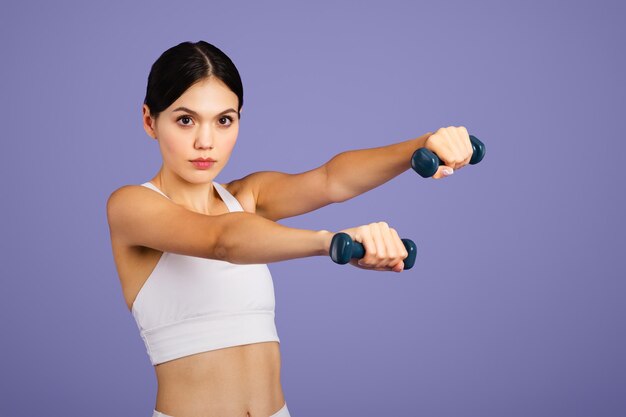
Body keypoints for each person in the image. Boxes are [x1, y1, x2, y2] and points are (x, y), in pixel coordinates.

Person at [106, 40, 473, 417]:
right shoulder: (131, 206)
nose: (206, 141)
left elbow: (332, 180)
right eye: (186, 120)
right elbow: (223, 240)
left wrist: (422, 146)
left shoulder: (246, 196)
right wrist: (330, 242)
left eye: (224, 120)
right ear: (150, 120)